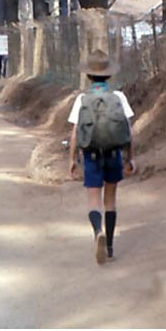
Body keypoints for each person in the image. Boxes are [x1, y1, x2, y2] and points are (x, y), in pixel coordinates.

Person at [67, 49, 136, 264]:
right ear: (109, 75)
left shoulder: (82, 99)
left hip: (91, 155)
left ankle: (98, 231)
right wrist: (129, 158)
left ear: (88, 76)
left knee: (94, 200)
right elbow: (128, 130)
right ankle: (110, 247)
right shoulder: (119, 97)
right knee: (110, 201)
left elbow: (75, 132)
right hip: (114, 154)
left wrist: (72, 159)